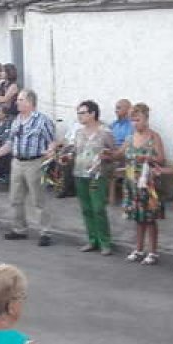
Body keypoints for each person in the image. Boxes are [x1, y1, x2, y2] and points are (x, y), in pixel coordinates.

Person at [0, 89, 56, 246]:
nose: (17, 102)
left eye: (21, 99)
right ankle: (19, 229)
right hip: (17, 162)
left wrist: (51, 150)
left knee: (39, 199)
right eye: (18, 99)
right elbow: (10, 143)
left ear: (30, 102)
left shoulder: (43, 120)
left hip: (34, 163)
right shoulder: (17, 120)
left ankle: (45, 232)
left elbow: (52, 141)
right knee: (15, 198)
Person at [117, 103, 166, 265]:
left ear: (146, 119)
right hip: (132, 183)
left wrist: (147, 159)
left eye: (138, 120)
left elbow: (161, 159)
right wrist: (107, 154)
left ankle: (153, 252)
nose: (134, 123)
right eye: (132, 120)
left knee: (150, 218)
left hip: (149, 183)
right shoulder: (130, 137)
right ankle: (138, 249)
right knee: (138, 218)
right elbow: (119, 153)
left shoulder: (154, 137)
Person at [67, 100, 116, 254]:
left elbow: (113, 153)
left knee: (98, 208)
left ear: (92, 114)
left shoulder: (104, 132)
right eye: (78, 113)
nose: (79, 116)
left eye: (82, 113)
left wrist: (107, 157)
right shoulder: (79, 132)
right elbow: (74, 150)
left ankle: (105, 242)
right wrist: (67, 156)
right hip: (80, 173)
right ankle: (92, 240)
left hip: (97, 175)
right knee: (86, 209)